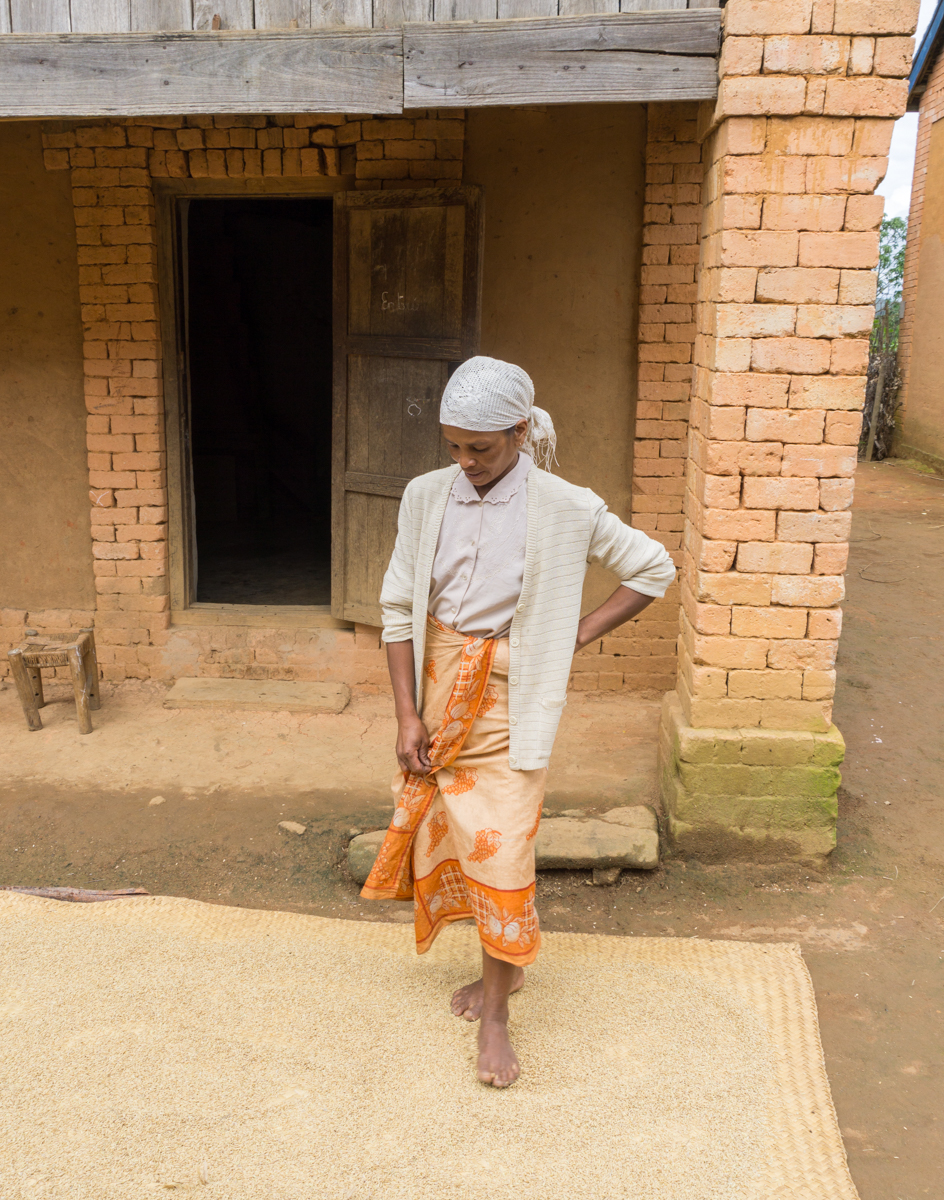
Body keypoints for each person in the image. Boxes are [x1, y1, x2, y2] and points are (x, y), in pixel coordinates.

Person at [361, 356, 676, 1088]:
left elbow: (653, 568)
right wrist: (407, 715)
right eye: (453, 447)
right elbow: (398, 607)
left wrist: (579, 630)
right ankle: (501, 975)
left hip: (513, 703)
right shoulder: (423, 496)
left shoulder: (566, 506)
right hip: (440, 697)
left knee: (501, 852)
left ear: (522, 431)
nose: (465, 463)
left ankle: (497, 1015)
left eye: (482, 448)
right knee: (458, 840)